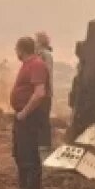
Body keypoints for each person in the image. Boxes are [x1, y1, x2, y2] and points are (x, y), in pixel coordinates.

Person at [10, 35, 51, 189]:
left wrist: (24, 112)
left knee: (28, 153)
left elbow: (39, 93)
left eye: (16, 49)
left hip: (29, 116)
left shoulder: (36, 65)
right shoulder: (28, 64)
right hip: (23, 115)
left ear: (21, 49)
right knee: (19, 152)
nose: (15, 53)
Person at [34, 31, 55, 160]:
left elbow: (45, 73)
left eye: (36, 40)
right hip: (41, 90)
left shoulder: (45, 55)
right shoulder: (41, 54)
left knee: (43, 117)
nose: (34, 42)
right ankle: (41, 142)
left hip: (44, 91)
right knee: (39, 116)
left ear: (41, 42)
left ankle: (45, 143)